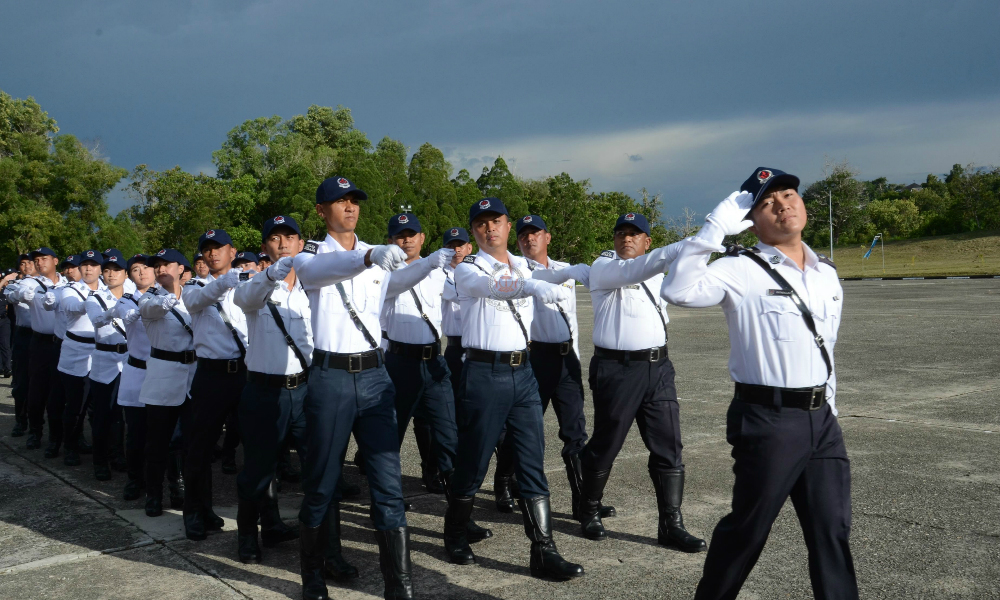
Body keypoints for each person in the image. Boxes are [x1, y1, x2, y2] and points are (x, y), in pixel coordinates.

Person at [661, 168, 858, 600]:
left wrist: (831, 408)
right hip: (769, 421)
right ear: (751, 220)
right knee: (748, 530)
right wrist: (712, 230)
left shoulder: (827, 273)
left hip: (822, 420)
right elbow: (678, 290)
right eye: (768, 202)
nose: (783, 204)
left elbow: (826, 348)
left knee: (832, 530)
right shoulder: (739, 269)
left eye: (789, 194)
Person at [444, 196, 584, 580]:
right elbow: (493, 287)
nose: (490, 228)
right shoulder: (468, 268)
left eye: (497, 221)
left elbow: (548, 276)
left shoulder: (523, 264)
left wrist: (582, 271)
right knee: (474, 459)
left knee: (531, 459)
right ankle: (455, 531)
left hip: (524, 374)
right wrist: (534, 288)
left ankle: (544, 550)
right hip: (484, 374)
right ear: (474, 231)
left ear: (508, 227)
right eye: (482, 223)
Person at [293, 176, 413, 600]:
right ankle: (313, 577)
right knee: (323, 482)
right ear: (321, 211)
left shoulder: (375, 257)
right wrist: (368, 257)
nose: (349, 207)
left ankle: (399, 584)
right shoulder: (310, 256)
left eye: (354, 201)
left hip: (375, 375)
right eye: (338, 201)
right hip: (331, 379)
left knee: (387, 482)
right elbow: (320, 273)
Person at [575, 212, 705, 552]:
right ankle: (587, 508)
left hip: (658, 367)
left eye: (635, 234)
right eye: (621, 233)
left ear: (647, 241)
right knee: (608, 443)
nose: (627, 239)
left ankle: (671, 524)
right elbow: (637, 267)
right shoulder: (605, 267)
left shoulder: (658, 275)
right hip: (617, 370)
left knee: (669, 444)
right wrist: (692, 242)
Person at [379, 214, 492, 543]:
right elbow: (400, 284)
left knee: (449, 440)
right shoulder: (384, 273)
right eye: (399, 236)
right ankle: (385, 509)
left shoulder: (441, 272)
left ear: (423, 237)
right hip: (399, 363)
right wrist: (430, 263)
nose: (406, 240)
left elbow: (464, 295)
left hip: (435, 364)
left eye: (412, 234)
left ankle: (459, 518)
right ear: (390, 241)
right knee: (390, 440)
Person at [232, 215, 337, 568]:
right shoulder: (256, 284)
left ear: (300, 242)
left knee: (318, 470)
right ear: (265, 248)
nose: (282, 243)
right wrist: (270, 275)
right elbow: (243, 299)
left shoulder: (314, 287)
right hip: (265, 392)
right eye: (274, 239)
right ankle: (248, 535)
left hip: (307, 390)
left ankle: (324, 548)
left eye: (289, 237)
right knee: (259, 471)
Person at [502, 214, 616, 522]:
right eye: (523, 235)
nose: (529, 239)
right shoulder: (517, 270)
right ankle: (504, 480)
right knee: (523, 429)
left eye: (535, 233)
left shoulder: (565, 270)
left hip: (567, 361)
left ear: (547, 237)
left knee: (575, 433)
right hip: (536, 359)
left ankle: (584, 503)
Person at [180, 229, 250, 540]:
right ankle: (197, 512)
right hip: (211, 375)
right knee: (200, 449)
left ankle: (266, 516)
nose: (212, 253)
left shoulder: (249, 282)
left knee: (259, 447)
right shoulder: (195, 286)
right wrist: (226, 281)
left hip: (247, 372)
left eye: (218, 247)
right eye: (206, 249)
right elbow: (197, 302)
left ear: (232, 251)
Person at [138, 249, 197, 518]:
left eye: (167, 264)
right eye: (157, 265)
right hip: (163, 376)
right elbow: (153, 309)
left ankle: (179, 487)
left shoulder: (196, 294)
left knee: (187, 442)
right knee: (158, 442)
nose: (161, 269)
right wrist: (172, 293)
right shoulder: (149, 298)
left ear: (182, 268)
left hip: (194, 375)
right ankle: (153, 493)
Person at [13, 248, 68, 451]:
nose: (39, 263)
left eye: (44, 259)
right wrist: (21, 293)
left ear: (55, 260)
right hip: (40, 343)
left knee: (60, 392)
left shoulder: (68, 284)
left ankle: (57, 436)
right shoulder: (30, 283)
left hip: (63, 343)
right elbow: (13, 293)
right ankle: (35, 431)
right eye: (36, 260)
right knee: (37, 389)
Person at [114, 254, 158, 502]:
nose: (142, 272)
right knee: (136, 433)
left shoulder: (171, 295)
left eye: (146, 267)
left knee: (163, 433)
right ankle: (135, 479)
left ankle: (165, 481)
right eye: (135, 269)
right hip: (137, 372)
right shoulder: (126, 300)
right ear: (130, 276)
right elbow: (129, 315)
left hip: (163, 373)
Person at [84, 249, 129, 481]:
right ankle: (100, 461)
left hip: (128, 361)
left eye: (117, 270)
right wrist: (114, 310)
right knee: (102, 415)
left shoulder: (134, 296)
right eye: (108, 271)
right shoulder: (95, 298)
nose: (112, 275)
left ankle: (117, 455)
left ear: (125, 274)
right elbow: (95, 320)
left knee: (121, 415)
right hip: (104, 360)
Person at [4, 254, 38, 436]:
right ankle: (20, 420)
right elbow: (10, 297)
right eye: (22, 264)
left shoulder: (50, 284)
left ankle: (36, 425)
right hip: (24, 335)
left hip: (45, 337)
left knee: (42, 382)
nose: (27, 266)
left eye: (30, 262)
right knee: (21, 381)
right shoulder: (16, 285)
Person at [440, 228, 473, 402]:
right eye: (450, 246)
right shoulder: (438, 274)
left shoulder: (479, 272)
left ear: (469, 248)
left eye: (460, 245)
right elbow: (459, 296)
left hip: (480, 347)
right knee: (455, 403)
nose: (456, 250)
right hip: (455, 346)